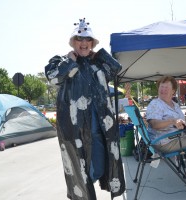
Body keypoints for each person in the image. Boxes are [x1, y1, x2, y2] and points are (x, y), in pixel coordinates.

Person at [44, 18, 125, 200]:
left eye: (88, 40)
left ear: (92, 43)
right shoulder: (61, 61)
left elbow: (115, 68)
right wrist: (70, 62)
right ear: (73, 42)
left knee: (100, 167)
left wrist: (99, 54)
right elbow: (53, 77)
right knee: (80, 173)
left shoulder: (98, 64)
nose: (84, 44)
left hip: (100, 127)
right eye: (79, 40)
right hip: (74, 131)